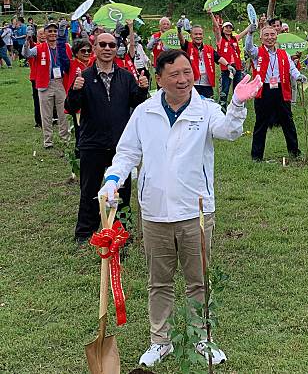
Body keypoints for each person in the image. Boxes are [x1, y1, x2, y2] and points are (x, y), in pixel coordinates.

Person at [96, 49, 261, 367]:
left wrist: (238, 104)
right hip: (155, 213)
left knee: (197, 279)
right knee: (159, 280)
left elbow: (228, 131)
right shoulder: (144, 113)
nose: (184, 79)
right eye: (175, 74)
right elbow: (128, 152)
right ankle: (160, 340)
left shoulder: (205, 109)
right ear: (159, 79)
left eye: (188, 72)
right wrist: (113, 179)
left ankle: (202, 337)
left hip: (195, 211)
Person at [65, 32, 149, 244]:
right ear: (95, 48)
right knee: (89, 189)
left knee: (122, 189)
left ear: (116, 48)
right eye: (102, 44)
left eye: (112, 44)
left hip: (121, 145)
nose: (107, 48)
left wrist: (143, 88)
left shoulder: (126, 77)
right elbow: (70, 107)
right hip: (92, 143)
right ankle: (85, 233)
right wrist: (75, 91)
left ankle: (122, 231)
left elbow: (137, 104)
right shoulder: (83, 76)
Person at [245, 24, 307, 161]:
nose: (269, 38)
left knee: (288, 122)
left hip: (281, 90)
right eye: (266, 35)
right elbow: (248, 48)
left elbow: (292, 69)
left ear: (276, 37)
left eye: (272, 35)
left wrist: (298, 76)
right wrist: (249, 33)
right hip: (264, 91)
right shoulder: (257, 52)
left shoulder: (283, 53)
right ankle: (256, 156)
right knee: (261, 123)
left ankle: (294, 151)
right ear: (261, 38)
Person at [24, 21, 71, 148]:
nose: (52, 33)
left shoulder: (65, 46)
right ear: (45, 33)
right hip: (45, 83)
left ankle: (65, 138)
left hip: (61, 82)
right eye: (49, 31)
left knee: (63, 112)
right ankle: (48, 141)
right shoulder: (39, 48)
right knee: (46, 114)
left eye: (55, 31)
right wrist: (27, 41)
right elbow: (26, 54)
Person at [178, 18, 235, 100]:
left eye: (200, 34)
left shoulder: (209, 49)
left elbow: (218, 58)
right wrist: (179, 30)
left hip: (207, 84)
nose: (198, 36)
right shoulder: (187, 46)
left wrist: (228, 65)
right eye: (196, 34)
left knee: (207, 106)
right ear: (191, 36)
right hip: (192, 83)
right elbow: (181, 39)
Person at [212, 16, 252, 107]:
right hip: (226, 68)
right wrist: (211, 15)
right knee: (225, 89)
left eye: (230, 27)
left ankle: (236, 106)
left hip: (237, 67)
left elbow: (245, 32)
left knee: (237, 88)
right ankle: (222, 106)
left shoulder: (235, 38)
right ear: (223, 29)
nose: (228, 29)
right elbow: (216, 28)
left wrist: (253, 22)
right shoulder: (220, 39)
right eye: (226, 27)